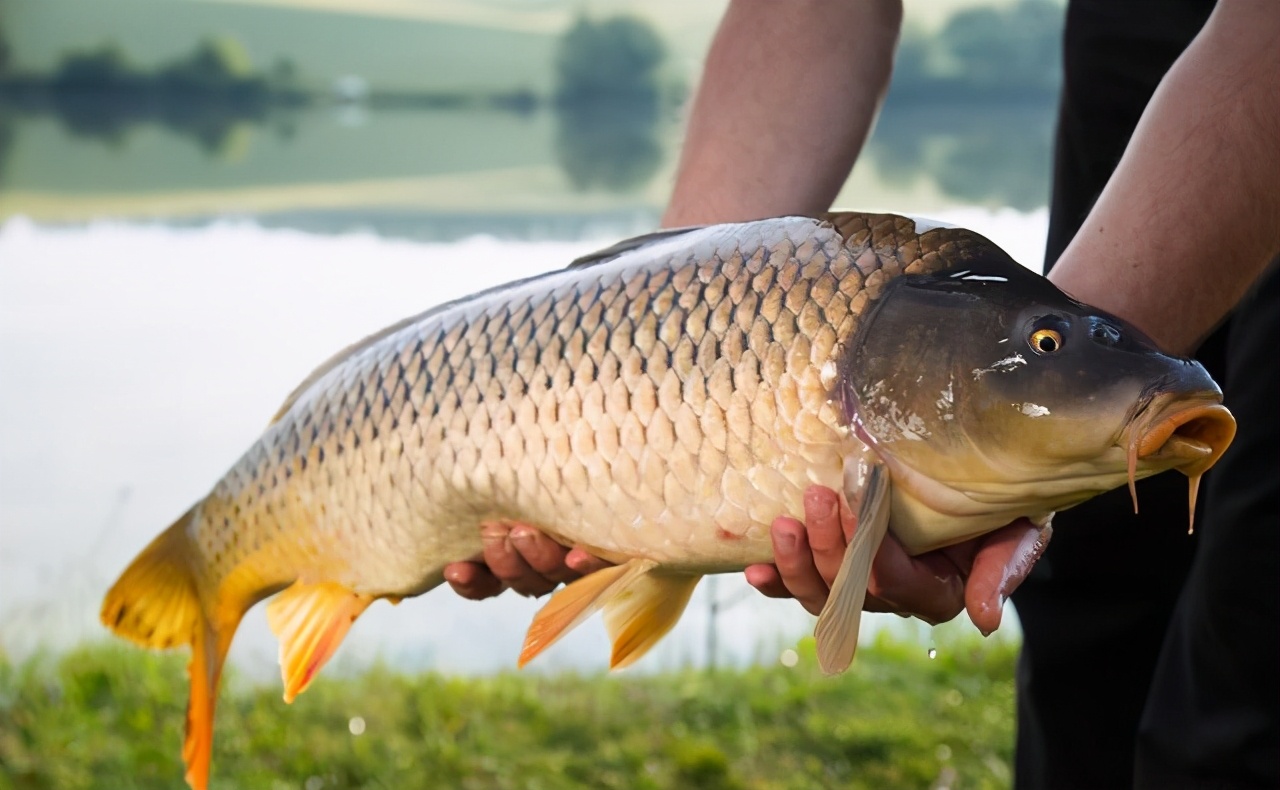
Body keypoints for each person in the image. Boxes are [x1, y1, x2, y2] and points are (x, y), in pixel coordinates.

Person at [445, 1, 1280, 786]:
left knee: (1250, 647)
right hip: (1128, 36)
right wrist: (675, 336)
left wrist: (1099, 374)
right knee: (1090, 608)